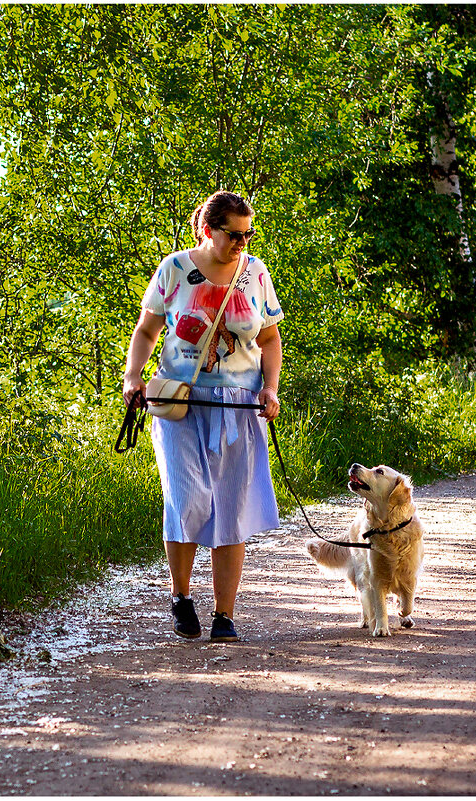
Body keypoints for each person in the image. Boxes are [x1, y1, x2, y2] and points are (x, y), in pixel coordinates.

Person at [122, 190, 283, 643]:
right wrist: (133, 376)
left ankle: (225, 616)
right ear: (207, 229)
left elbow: (269, 340)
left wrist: (270, 389)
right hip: (179, 403)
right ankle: (180, 597)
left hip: (239, 406)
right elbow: (147, 329)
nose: (242, 242)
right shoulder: (175, 269)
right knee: (187, 498)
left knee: (231, 510)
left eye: (248, 234)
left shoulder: (255, 274)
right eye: (234, 234)